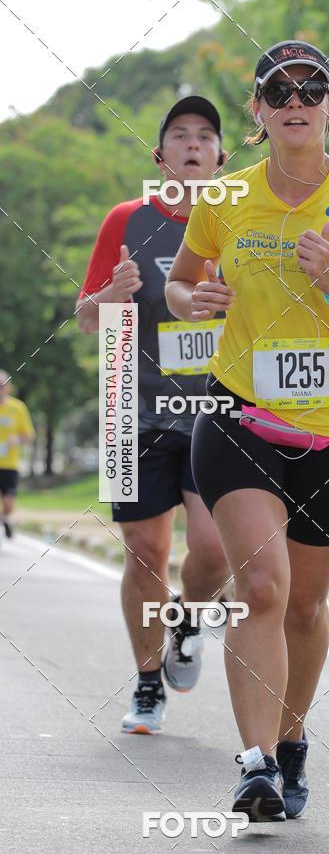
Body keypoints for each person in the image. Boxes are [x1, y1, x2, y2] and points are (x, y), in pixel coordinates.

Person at [166, 40, 329, 820]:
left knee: (307, 609)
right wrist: (190, 303)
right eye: (279, 89)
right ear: (259, 112)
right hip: (240, 418)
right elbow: (179, 284)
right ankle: (254, 765)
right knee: (264, 588)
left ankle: (292, 740)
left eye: (312, 88)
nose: (295, 99)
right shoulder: (223, 201)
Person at [77, 97, 230, 734]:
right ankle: (146, 685)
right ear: (159, 156)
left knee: (216, 548)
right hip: (131, 409)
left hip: (219, 408)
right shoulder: (127, 219)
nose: (192, 146)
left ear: (223, 156)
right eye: (179, 137)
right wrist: (109, 296)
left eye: (204, 137)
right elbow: (86, 319)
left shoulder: (244, 221)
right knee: (144, 551)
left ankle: (188, 621)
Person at [0, 370, 35, 540]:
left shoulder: (18, 408)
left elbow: (30, 435)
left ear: (8, 387)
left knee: (8, 504)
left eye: (2, 385)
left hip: (10, 464)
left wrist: (18, 440)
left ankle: (4, 518)